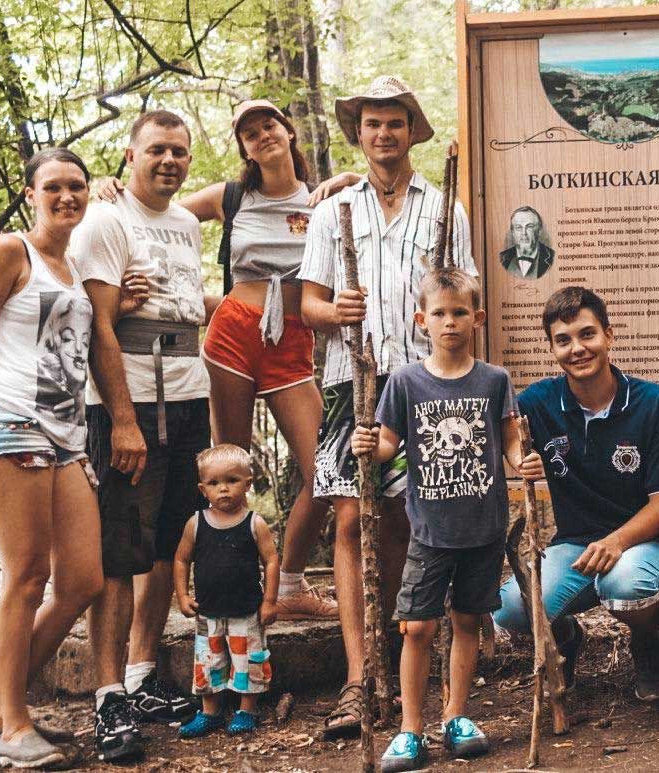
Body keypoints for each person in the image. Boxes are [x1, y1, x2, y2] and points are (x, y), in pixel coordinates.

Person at [93, 99, 362, 622]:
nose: (262, 136)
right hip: (233, 338)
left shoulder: (325, 198)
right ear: (242, 146)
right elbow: (152, 209)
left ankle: (289, 584)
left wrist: (351, 174)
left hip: (293, 344)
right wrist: (111, 186)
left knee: (324, 476)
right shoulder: (231, 196)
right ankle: (226, 586)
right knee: (226, 471)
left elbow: (375, 193)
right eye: (249, 133)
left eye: (270, 126)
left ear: (288, 132)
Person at [298, 75, 478, 738]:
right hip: (356, 383)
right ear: (359, 132)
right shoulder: (333, 211)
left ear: (411, 131)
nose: (383, 134)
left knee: (413, 517)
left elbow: (463, 293)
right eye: (372, 123)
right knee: (351, 519)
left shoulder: (443, 207)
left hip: (428, 382)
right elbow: (308, 302)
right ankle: (357, 675)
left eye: (394, 123)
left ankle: (409, 659)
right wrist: (331, 310)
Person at [0, 149, 103, 769]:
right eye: (54, 187)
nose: (67, 197)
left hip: (66, 435)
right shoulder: (12, 251)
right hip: (9, 426)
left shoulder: (73, 264)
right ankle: (14, 727)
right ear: (31, 194)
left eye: (77, 187)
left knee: (83, 578)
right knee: (28, 575)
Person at [70, 110, 218, 762]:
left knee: (167, 545)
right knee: (118, 553)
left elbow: (189, 302)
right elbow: (100, 325)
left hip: (189, 396)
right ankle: (108, 697)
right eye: (156, 149)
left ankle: (140, 674)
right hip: (131, 404)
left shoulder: (184, 223)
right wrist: (122, 418)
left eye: (179, 151)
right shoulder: (105, 220)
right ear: (129, 156)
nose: (169, 160)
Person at [351, 267, 536, 772]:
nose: (449, 322)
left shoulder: (495, 379)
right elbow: (390, 443)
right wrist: (367, 444)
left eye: (459, 313)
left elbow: (510, 441)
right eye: (439, 313)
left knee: (467, 620)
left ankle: (456, 716)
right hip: (430, 530)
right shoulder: (407, 382)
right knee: (415, 627)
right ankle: (410, 729)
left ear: (476, 319)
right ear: (421, 320)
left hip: (484, 526)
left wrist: (524, 462)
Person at [493, 287, 659, 701]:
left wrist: (617, 541)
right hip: (574, 546)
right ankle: (564, 638)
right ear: (552, 347)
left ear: (609, 336)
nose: (577, 348)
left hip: (640, 543)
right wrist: (516, 457)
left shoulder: (650, 402)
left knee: (628, 584)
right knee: (511, 607)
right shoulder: (541, 402)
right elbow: (501, 425)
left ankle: (647, 642)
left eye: (587, 334)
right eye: (563, 340)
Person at [173, 444, 280, 738]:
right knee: (209, 662)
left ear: (248, 483)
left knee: (249, 663)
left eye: (232, 481)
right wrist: (182, 595)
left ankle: (247, 710)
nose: (223, 489)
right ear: (202, 488)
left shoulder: (254, 523)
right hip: (208, 612)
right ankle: (210, 712)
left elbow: (271, 561)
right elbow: (181, 559)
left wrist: (270, 601)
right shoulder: (196, 524)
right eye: (214, 483)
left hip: (246, 610)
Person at [499, 206, 555, 279]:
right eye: (518, 227)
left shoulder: (552, 257)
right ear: (513, 232)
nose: (524, 233)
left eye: (529, 227)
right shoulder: (502, 258)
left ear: (539, 231)